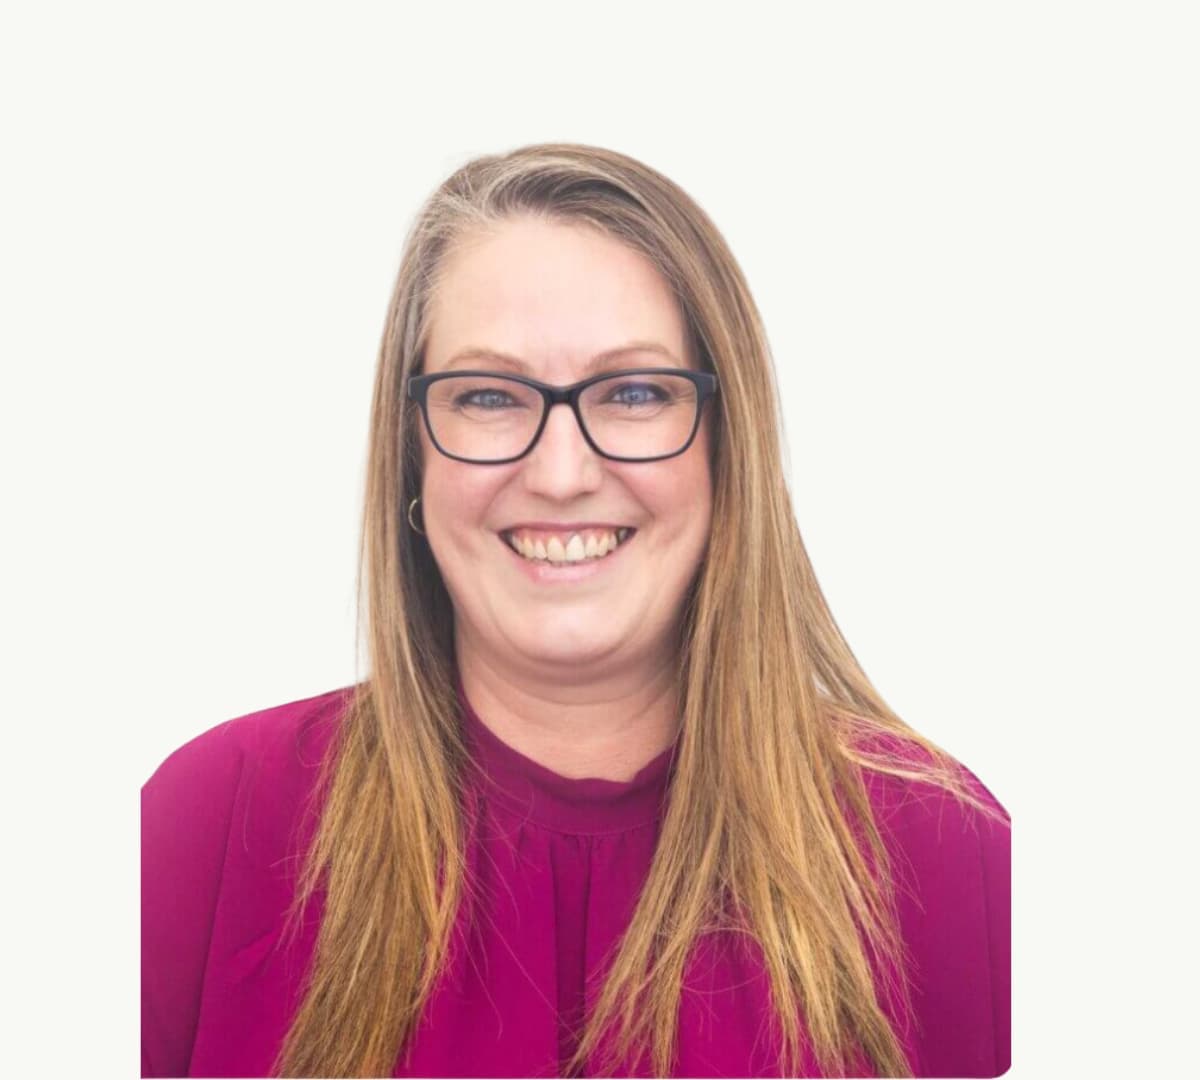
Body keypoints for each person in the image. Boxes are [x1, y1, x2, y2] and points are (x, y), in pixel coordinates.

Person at [141, 143, 1010, 1079]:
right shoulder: (204, 830)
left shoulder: (950, 860)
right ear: (412, 459)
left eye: (634, 392)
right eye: (486, 396)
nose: (561, 473)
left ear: (729, 451)